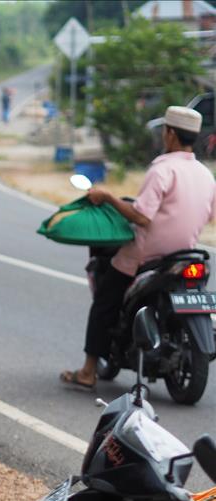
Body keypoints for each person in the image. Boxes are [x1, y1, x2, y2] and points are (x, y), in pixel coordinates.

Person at [61, 106, 216, 390]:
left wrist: (108, 196)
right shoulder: (205, 175)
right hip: (186, 255)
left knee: (105, 300)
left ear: (169, 134)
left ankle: (88, 370)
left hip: (148, 257)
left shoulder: (162, 169)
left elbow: (142, 217)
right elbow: (209, 216)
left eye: (164, 132)